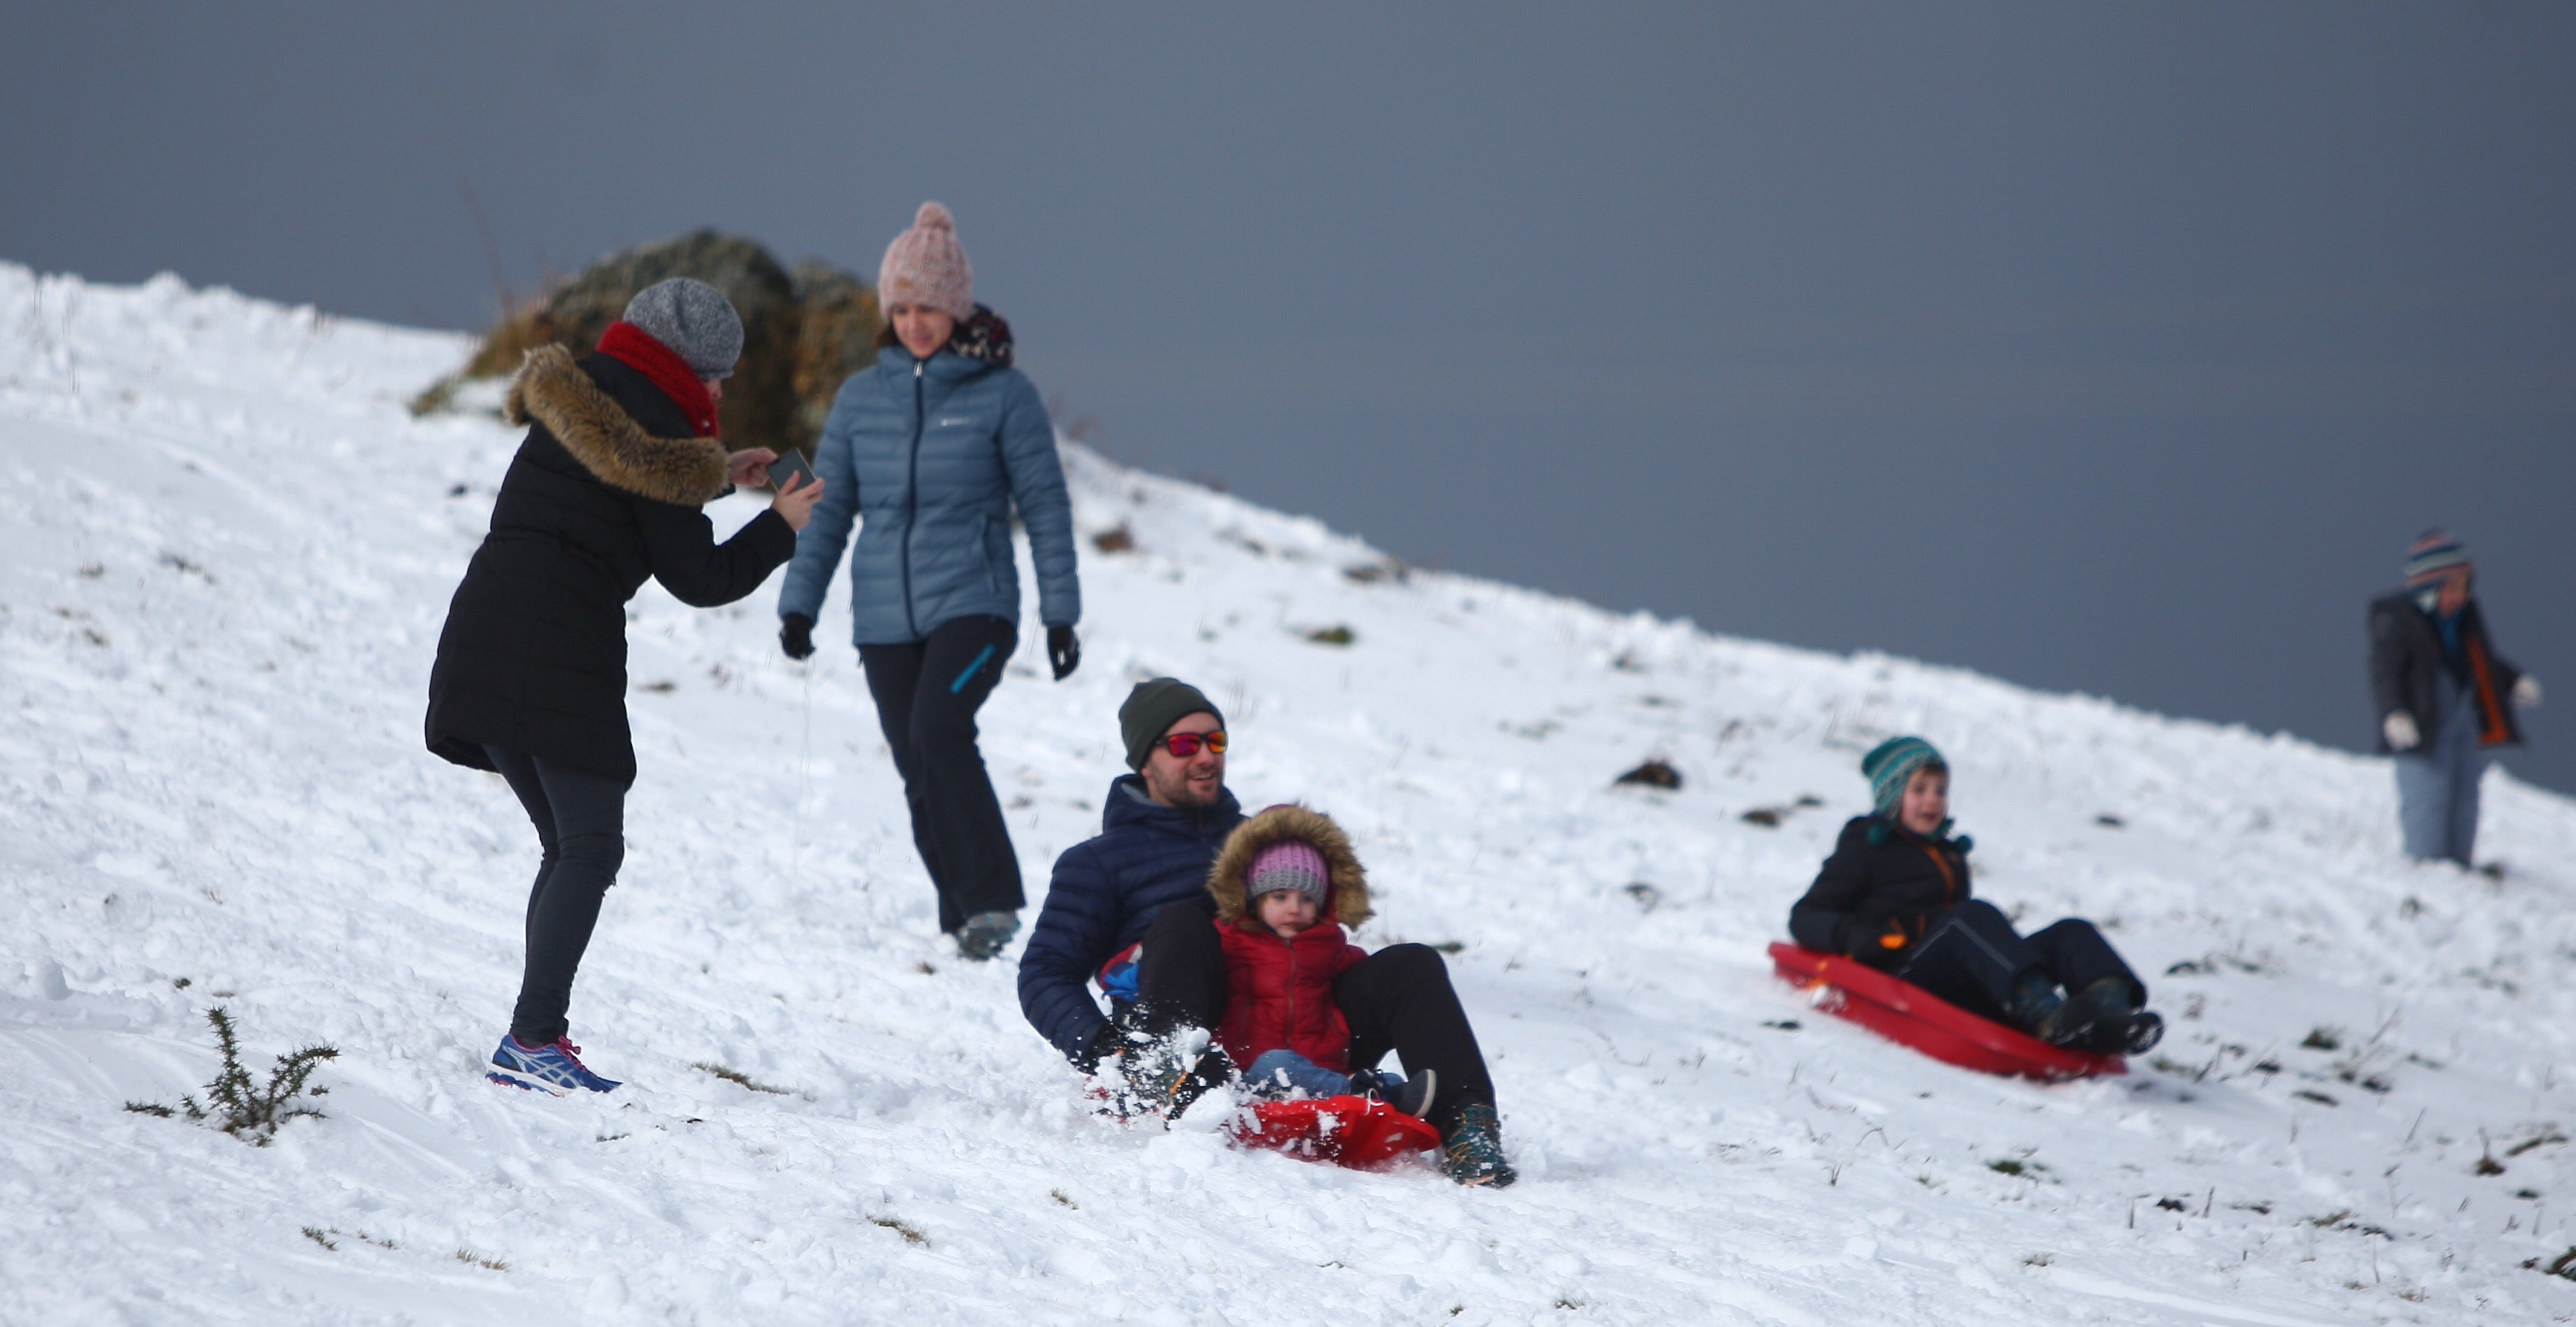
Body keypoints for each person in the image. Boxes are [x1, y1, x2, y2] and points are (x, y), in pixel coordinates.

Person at [426, 279, 824, 1093]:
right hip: (558, 645)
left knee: (567, 846)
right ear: (685, 369)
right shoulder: (665, 435)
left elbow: (619, 485)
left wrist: (720, 473)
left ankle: (531, 1038)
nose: (719, 392)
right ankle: (533, 1040)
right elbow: (701, 576)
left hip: (488, 627)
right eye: (716, 377)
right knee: (591, 845)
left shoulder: (587, 400)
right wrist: (782, 526)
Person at [1017, 678, 1515, 1186]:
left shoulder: (1267, 842)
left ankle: (1465, 1125)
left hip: (1302, 1020)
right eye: (1185, 744)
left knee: (1411, 964)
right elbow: (1043, 972)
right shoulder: (1097, 863)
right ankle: (1164, 1063)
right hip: (1204, 1035)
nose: (1206, 756)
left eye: (1216, 741)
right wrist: (1106, 1048)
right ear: (1144, 761)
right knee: (1183, 922)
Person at [776, 202, 1081, 961]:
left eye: (930, 308)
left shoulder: (1003, 396)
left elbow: (1043, 503)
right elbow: (830, 504)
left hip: (974, 606)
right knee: (917, 761)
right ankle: (963, 916)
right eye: (903, 309)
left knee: (938, 730)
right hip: (883, 615)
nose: (916, 323)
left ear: (958, 307)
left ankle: (994, 900)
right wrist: (799, 602)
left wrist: (1059, 613)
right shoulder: (858, 399)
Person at [1787, 736, 2162, 1057]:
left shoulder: (1949, 855)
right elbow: (1806, 916)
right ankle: (2048, 1016)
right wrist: (1861, 938)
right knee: (1972, 918)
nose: (1932, 801)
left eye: (1940, 791)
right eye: (1918, 790)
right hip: (1903, 972)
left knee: (2072, 934)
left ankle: (2110, 1019)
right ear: (1891, 796)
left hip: (1957, 973)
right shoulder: (1865, 849)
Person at [1206, 805, 1436, 1122]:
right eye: (1280, 897)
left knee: (1386, 1077)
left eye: (1306, 899)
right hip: (1251, 1075)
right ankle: (1364, 1098)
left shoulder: (1329, 946)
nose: (1294, 909)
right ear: (1255, 899)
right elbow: (1187, 959)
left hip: (1320, 1070)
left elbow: (1367, 977)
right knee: (1277, 1063)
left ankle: (1385, 1096)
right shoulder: (1231, 939)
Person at [2369, 530, 2543, 868]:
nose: (2459, 596)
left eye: (2464, 587)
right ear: (2428, 587)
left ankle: (2459, 864)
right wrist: (2394, 712)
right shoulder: (2398, 621)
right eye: (2452, 588)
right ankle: (2427, 863)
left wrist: (2512, 680)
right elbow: (2385, 672)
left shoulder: (2462, 623)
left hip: (2461, 723)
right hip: (2425, 729)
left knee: (2464, 795)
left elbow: (2481, 661)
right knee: (2428, 795)